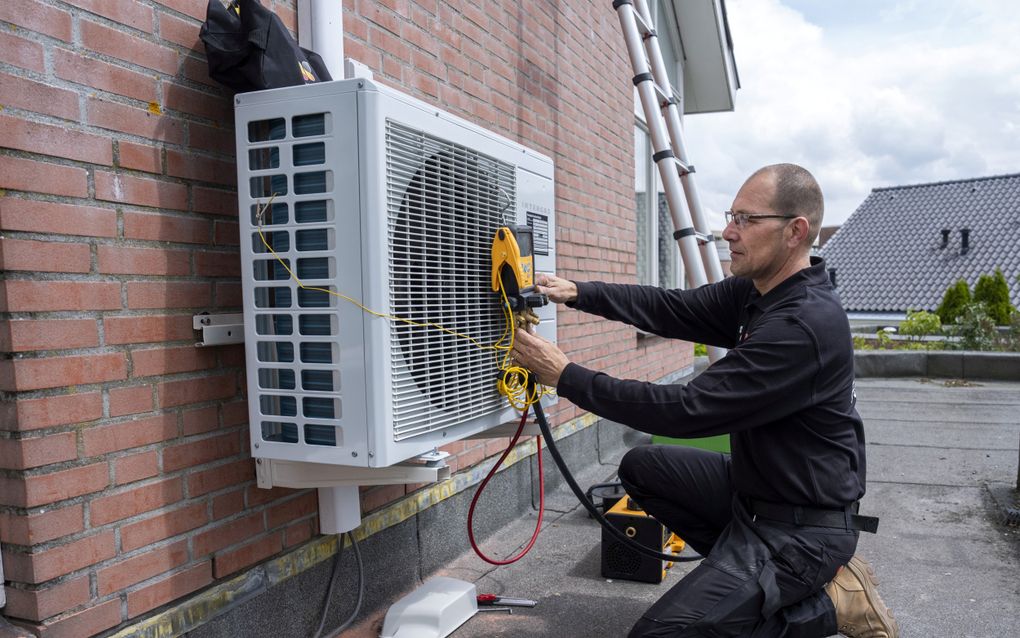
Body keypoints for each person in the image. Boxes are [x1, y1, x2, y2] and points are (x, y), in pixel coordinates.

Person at [511, 164, 898, 638]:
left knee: (659, 635)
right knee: (641, 468)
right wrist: (580, 293)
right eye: (731, 216)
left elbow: (686, 410)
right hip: (755, 493)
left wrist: (565, 376)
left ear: (795, 231)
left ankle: (825, 606)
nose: (728, 231)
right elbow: (673, 307)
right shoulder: (759, 293)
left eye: (746, 220)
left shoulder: (802, 326)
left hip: (801, 529)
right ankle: (745, 586)